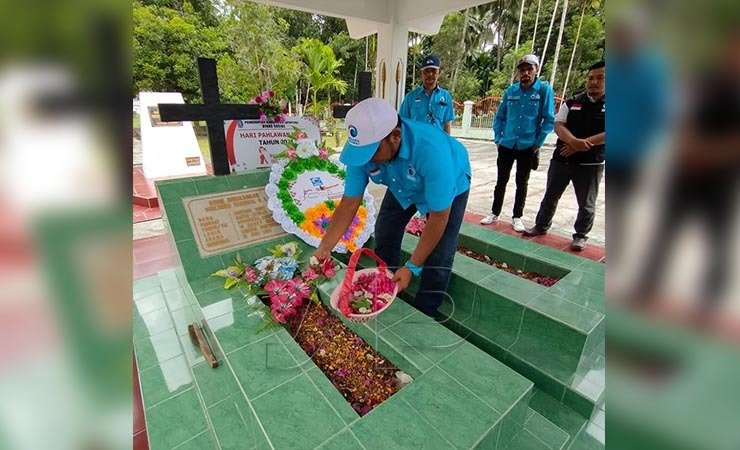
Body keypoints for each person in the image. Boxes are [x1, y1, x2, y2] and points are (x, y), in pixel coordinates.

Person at [312, 97, 471, 317]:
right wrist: (325, 246)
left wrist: (413, 266)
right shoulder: (364, 152)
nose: (366, 161)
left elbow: (438, 217)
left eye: (371, 153)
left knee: (440, 252)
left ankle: (426, 312)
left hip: (449, 180)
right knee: (386, 230)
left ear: (395, 136)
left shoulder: (433, 153)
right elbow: (349, 203)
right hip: (402, 183)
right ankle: (386, 287)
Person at [523, 60, 606, 251]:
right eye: (591, 78)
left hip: (590, 163)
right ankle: (541, 225)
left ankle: (580, 235)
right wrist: (573, 142)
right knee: (551, 195)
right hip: (562, 158)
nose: (594, 82)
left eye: (600, 78)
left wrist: (583, 145)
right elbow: (559, 125)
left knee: (586, 202)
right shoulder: (573, 101)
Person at [480, 54, 555, 232]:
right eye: (522, 70)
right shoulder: (511, 91)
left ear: (536, 70)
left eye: (529, 69)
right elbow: (499, 117)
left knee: (522, 182)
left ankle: (517, 216)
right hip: (507, 144)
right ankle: (494, 212)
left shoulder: (543, 91)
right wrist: (498, 138)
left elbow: (548, 119)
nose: (525, 73)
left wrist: (537, 144)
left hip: (527, 146)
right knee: (501, 180)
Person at [399, 54, 455, 134]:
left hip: (437, 143)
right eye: (426, 71)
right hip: (417, 143)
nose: (430, 74)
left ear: (439, 73)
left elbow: (447, 124)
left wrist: (448, 144)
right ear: (421, 74)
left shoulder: (445, 96)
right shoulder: (410, 97)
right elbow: (403, 123)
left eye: (433, 71)